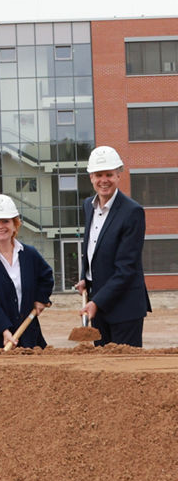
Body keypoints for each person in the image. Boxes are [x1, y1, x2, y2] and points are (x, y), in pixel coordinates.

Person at [76, 145, 151, 347]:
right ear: (91, 177)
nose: (104, 180)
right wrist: (86, 276)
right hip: (98, 303)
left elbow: (126, 268)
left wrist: (96, 302)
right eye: (98, 175)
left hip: (125, 307)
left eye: (109, 174)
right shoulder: (88, 206)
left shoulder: (132, 212)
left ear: (119, 175)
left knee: (125, 368)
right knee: (102, 367)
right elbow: (91, 246)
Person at [0, 194, 53, 349]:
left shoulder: (29, 254)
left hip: (26, 334)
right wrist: (3, 329)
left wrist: (41, 298)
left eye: (6, 221)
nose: (1, 226)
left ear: (15, 224)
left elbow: (46, 276)